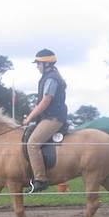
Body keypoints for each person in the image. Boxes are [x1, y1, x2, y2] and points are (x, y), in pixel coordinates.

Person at [23, 49, 68, 193]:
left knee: (32, 144)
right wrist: (30, 115)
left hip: (53, 118)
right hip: (48, 117)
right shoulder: (48, 77)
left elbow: (45, 101)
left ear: (46, 64)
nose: (37, 67)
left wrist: (30, 118)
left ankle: (41, 179)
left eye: (38, 64)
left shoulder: (51, 79)